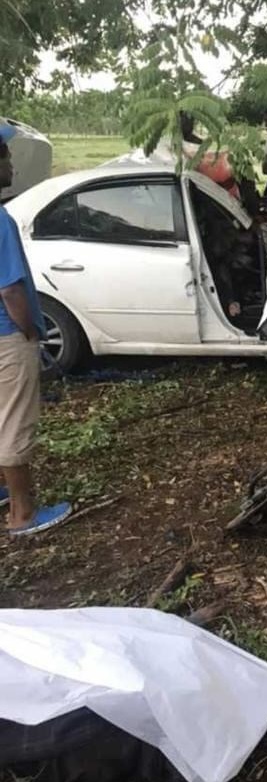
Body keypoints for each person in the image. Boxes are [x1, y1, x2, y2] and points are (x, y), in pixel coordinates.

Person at [0, 123, 71, 535]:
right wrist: (30, 331)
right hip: (8, 334)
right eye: (4, 156)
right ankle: (23, 514)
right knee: (15, 422)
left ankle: (6, 493)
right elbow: (10, 289)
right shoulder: (1, 222)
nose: (10, 163)